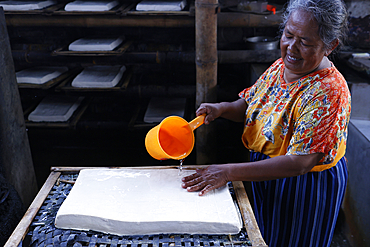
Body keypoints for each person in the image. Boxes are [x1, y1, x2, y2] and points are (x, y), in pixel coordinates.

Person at [181, 0, 351, 246]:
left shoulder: (328, 91)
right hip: (267, 172)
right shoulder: (282, 65)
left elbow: (300, 163)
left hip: (305, 185)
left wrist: (227, 171)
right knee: (265, 237)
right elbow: (253, 105)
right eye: (288, 34)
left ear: (329, 46)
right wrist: (222, 109)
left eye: (305, 42)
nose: (292, 47)